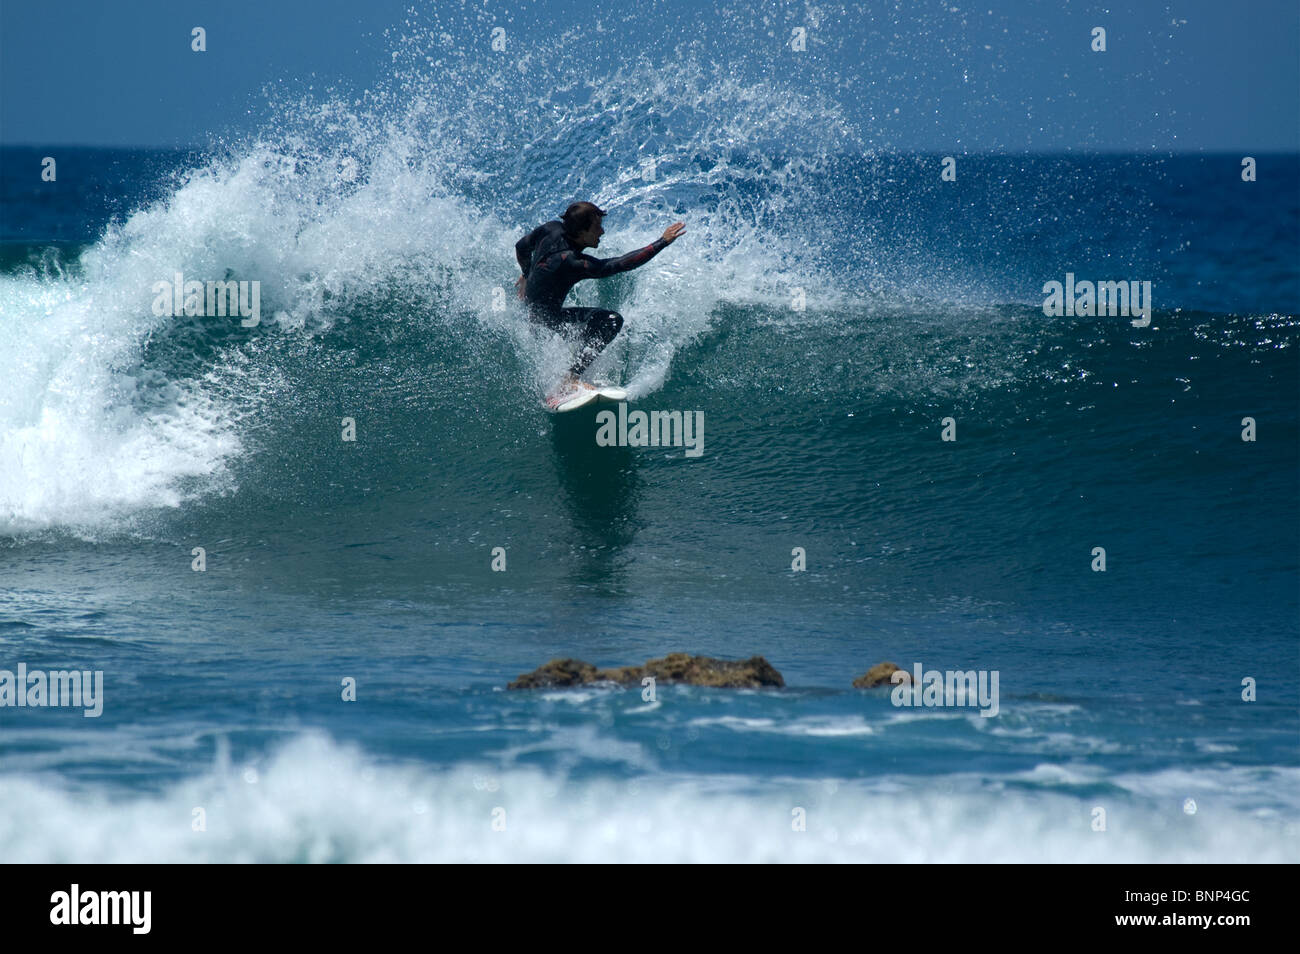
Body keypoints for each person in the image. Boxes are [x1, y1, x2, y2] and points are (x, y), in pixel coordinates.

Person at [515, 201, 685, 404]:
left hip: (533, 312)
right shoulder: (571, 262)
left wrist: (526, 276)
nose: (602, 232)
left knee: (588, 325)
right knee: (611, 321)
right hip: (546, 320)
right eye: (597, 227)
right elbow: (619, 264)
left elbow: (522, 246)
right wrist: (662, 242)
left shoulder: (551, 228)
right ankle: (570, 378)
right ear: (581, 232)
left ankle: (571, 367)